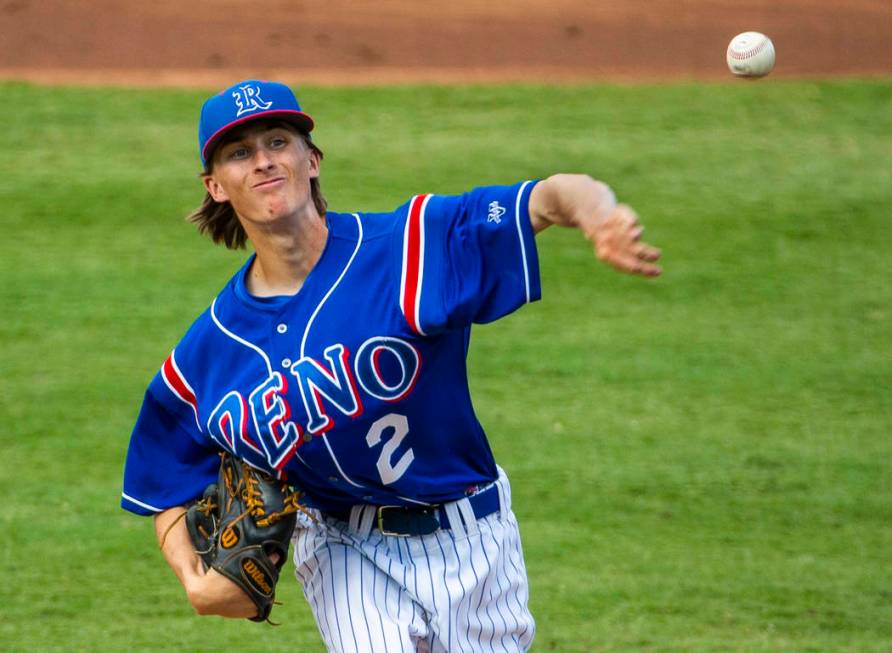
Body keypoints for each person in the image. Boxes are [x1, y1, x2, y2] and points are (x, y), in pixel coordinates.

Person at [121, 79, 661, 652]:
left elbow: (552, 196)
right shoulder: (212, 348)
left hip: (472, 539)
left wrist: (600, 217)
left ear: (312, 160)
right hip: (340, 547)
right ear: (217, 186)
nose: (263, 161)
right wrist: (195, 580)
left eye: (278, 141)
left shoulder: (413, 247)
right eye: (239, 153)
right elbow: (162, 478)